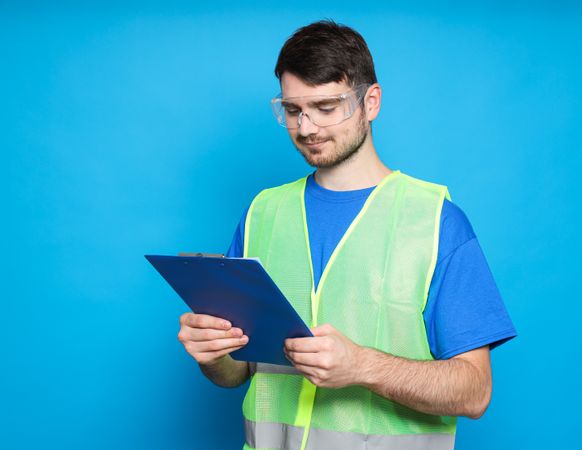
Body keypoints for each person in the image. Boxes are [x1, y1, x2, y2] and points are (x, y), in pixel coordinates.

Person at [177, 19, 517, 450]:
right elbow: (237, 373)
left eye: (326, 107)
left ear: (370, 102)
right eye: (294, 110)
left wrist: (363, 367)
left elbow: (474, 391)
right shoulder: (263, 212)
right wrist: (213, 354)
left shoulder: (435, 221)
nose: (307, 128)